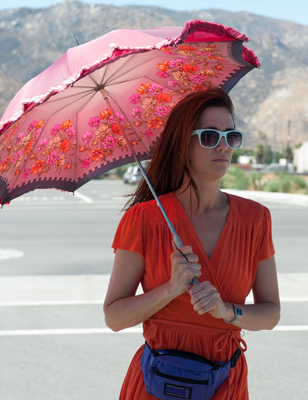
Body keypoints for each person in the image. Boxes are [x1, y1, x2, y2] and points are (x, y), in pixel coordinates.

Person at [103, 88, 280, 399]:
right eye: (209, 136)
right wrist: (170, 289)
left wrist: (227, 312)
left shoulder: (256, 220)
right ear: (182, 144)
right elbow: (114, 317)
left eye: (231, 136)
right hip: (156, 386)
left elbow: (271, 313)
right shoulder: (144, 219)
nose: (223, 146)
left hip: (225, 385)